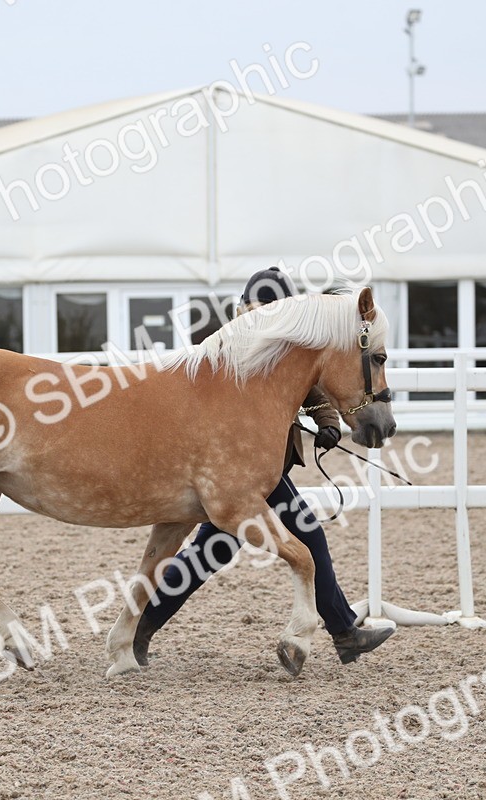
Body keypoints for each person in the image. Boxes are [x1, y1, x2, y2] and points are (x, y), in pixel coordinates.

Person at [133, 268, 394, 666]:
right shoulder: (229, 346)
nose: (258, 316)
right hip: (236, 466)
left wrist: (325, 423)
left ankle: (139, 627)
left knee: (209, 553)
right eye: (254, 309)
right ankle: (343, 632)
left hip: (257, 466)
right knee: (306, 538)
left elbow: (308, 383)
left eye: (266, 310)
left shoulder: (284, 345)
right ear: (243, 308)